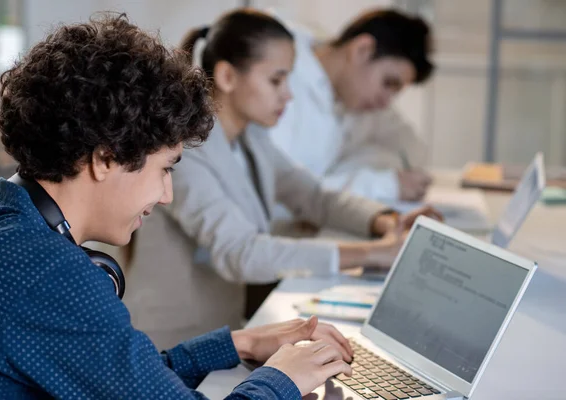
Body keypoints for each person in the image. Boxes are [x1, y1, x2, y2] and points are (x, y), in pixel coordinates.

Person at [0, 14, 357, 399]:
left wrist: (240, 344)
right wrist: (282, 380)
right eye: (165, 169)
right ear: (105, 160)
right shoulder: (51, 275)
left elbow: (119, 379)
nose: (166, 194)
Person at [124, 9, 441, 350]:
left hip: (221, 330)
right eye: (276, 80)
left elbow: (314, 197)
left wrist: (385, 222)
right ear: (228, 77)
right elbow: (240, 253)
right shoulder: (185, 152)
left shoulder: (251, 139)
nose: (288, 95)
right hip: (170, 344)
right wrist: (370, 254)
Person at [269, 9, 435, 203]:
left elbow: (406, 139)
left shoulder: (349, 97)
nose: (385, 102)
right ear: (362, 50)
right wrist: (384, 186)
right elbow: (282, 193)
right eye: (388, 83)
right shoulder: (283, 80)